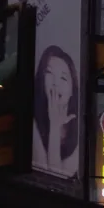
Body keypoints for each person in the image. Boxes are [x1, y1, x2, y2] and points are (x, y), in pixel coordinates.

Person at [31, 45, 80, 178]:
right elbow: (48, 177)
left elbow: (59, 178)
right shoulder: (32, 122)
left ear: (72, 91)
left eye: (63, 78)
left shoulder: (79, 131)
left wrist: (55, 126)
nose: (55, 83)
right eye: (49, 73)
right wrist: (54, 126)